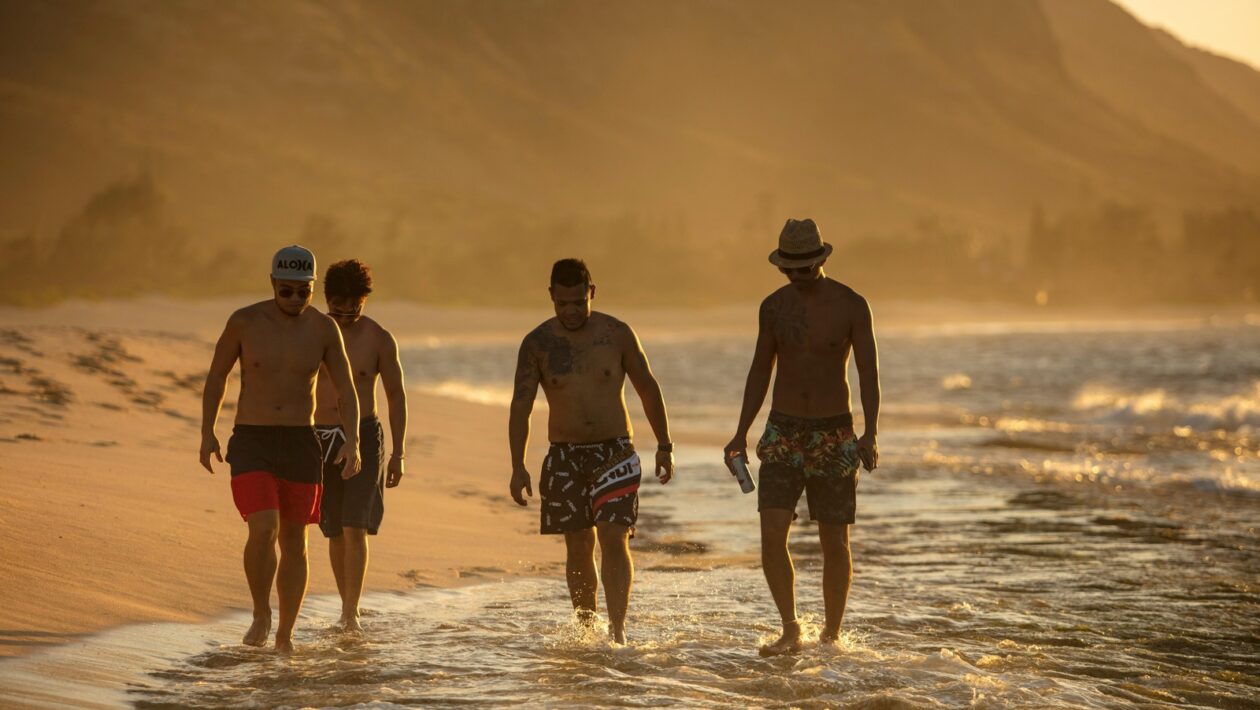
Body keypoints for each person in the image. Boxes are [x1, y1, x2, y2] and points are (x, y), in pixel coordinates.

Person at [724, 219, 880, 656]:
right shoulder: (773, 308)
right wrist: (740, 431)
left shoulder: (851, 305)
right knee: (772, 531)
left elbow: (868, 372)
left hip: (834, 431)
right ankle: (791, 628)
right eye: (790, 270)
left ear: (822, 260)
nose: (799, 276)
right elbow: (760, 371)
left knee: (835, 538)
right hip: (783, 430)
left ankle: (831, 634)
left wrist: (870, 431)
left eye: (806, 268)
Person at [199, 245, 362, 653]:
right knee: (263, 528)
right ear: (272, 283)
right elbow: (217, 377)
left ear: (311, 289)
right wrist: (207, 431)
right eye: (285, 291)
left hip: (300, 442)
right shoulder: (244, 322)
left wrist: (354, 440)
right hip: (252, 438)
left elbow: (346, 388)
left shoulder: (323, 330)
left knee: (295, 541)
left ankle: (286, 635)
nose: (294, 300)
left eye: (302, 292)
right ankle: (261, 612)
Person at [508, 258, 674, 644]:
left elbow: (648, 388)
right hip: (564, 455)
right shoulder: (537, 344)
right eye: (562, 303)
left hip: (614, 452)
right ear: (551, 296)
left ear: (592, 293)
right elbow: (521, 405)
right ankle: (587, 630)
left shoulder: (616, 334)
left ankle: (617, 634)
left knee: (614, 538)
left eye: (579, 302)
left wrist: (664, 445)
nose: (570, 311)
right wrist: (517, 465)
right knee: (579, 546)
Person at [313, 259, 407, 634]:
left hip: (365, 434)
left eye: (354, 305)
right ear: (327, 298)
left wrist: (398, 452)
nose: (346, 312)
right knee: (333, 528)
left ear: (364, 300)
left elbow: (396, 396)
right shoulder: (312, 332)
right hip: (319, 434)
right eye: (338, 304)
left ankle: (350, 612)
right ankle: (345, 605)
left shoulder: (379, 338)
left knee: (356, 526)